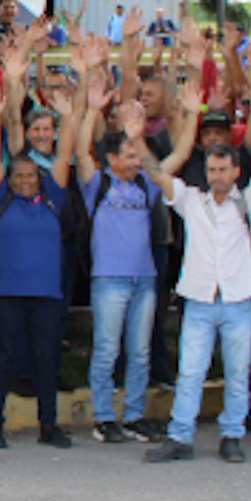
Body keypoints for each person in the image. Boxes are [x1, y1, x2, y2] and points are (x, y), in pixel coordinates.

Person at [142, 74, 251, 465]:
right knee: (190, 372)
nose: (218, 176)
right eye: (213, 170)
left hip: (239, 300)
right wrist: (185, 116)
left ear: (236, 172)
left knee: (238, 373)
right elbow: (156, 173)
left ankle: (232, 435)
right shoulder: (192, 201)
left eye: (224, 169)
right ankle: (180, 436)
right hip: (200, 301)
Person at [75, 69, 176, 444]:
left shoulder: (145, 185)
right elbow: (81, 151)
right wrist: (92, 110)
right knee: (106, 351)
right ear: (112, 158)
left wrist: (137, 136)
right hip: (109, 281)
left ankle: (134, 415)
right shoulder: (98, 183)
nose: (135, 162)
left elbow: (157, 167)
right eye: (129, 156)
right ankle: (104, 417)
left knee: (140, 353)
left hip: (144, 280)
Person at [0, 84, 77, 449]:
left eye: (29, 176)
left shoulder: (53, 198)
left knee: (46, 360)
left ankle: (48, 425)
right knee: (3, 359)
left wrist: (67, 117)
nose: (23, 181)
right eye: (17, 176)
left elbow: (64, 155)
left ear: (39, 178)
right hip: (6, 294)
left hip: (47, 295)